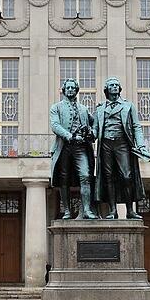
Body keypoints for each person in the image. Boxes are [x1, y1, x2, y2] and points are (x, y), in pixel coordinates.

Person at [94, 77, 150, 219]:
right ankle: (113, 211)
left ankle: (130, 210)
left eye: (116, 85)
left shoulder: (128, 106)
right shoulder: (100, 108)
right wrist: (89, 134)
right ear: (106, 90)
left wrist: (141, 145)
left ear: (120, 89)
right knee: (109, 177)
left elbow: (136, 126)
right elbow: (95, 129)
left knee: (126, 176)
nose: (114, 87)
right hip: (106, 144)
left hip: (122, 144)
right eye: (111, 85)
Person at [50, 78, 97, 219]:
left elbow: (95, 124)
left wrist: (92, 133)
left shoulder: (84, 109)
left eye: (73, 88)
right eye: (68, 88)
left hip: (81, 147)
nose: (70, 90)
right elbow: (55, 125)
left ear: (76, 90)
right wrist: (69, 136)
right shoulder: (56, 107)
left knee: (85, 176)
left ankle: (87, 210)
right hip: (64, 147)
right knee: (64, 179)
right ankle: (67, 211)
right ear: (64, 90)